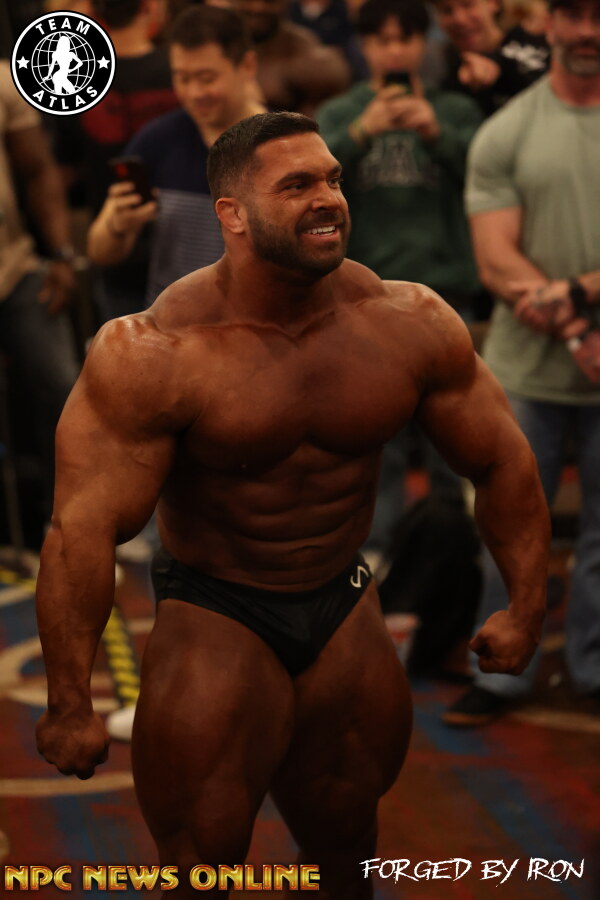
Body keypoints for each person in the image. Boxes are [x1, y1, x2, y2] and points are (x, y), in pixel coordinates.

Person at [36, 112, 549, 897]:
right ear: (233, 215)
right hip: (218, 609)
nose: (329, 198)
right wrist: (71, 699)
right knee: (202, 859)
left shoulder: (406, 321)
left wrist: (526, 605)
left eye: (333, 178)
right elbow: (82, 530)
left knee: (348, 838)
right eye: (297, 185)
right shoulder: (155, 351)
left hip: (342, 600)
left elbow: (502, 458)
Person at [444, 0, 600, 726]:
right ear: (549, 26)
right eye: (574, 16)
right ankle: (503, 672)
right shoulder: (506, 131)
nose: (588, 32)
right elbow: (494, 258)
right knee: (507, 531)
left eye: (599, 16)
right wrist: (578, 325)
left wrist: (575, 295)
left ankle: (592, 667)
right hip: (526, 375)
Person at [316, 0, 483, 569]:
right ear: (365, 46)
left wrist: (438, 134)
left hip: (445, 290)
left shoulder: (456, 109)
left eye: (405, 38)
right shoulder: (341, 112)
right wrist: (359, 133)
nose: (394, 51)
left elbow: (486, 180)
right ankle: (377, 554)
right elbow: (311, 185)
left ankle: (449, 556)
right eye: (382, 40)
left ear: (421, 43)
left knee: (450, 432)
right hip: (362, 293)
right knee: (373, 433)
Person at [87, 4, 265, 307]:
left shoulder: (280, 145)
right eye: (182, 78)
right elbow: (99, 250)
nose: (194, 93)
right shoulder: (156, 140)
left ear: (247, 66)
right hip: (170, 319)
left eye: (207, 78)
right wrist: (118, 225)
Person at [52, 0, 179, 322]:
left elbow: (62, 172)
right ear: (149, 8)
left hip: (116, 247)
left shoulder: (75, 80)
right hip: (181, 248)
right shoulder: (184, 73)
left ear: (94, 12)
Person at [0, 61, 80, 532]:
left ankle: (75, 523)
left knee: (64, 385)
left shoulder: (3, 81)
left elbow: (38, 170)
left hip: (14, 267)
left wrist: (62, 254)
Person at [433, 0, 550, 116]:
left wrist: (500, 70)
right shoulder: (449, 77)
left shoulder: (533, 43)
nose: (459, 19)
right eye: (447, 11)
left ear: (493, 3)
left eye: (468, 5)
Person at [234, 0, 351, 113]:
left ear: (285, 3)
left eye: (269, 1)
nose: (257, 8)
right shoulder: (225, 41)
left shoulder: (303, 50)